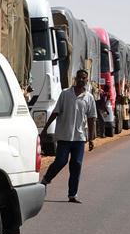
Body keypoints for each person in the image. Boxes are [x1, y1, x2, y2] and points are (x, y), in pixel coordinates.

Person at [39, 69, 97, 204]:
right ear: (75, 79)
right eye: (80, 77)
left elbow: (91, 118)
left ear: (87, 80)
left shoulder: (89, 97)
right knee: (61, 161)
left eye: (84, 78)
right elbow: (55, 112)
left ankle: (72, 194)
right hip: (64, 136)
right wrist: (45, 129)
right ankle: (46, 180)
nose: (82, 80)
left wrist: (92, 138)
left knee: (76, 164)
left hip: (79, 137)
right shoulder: (65, 94)